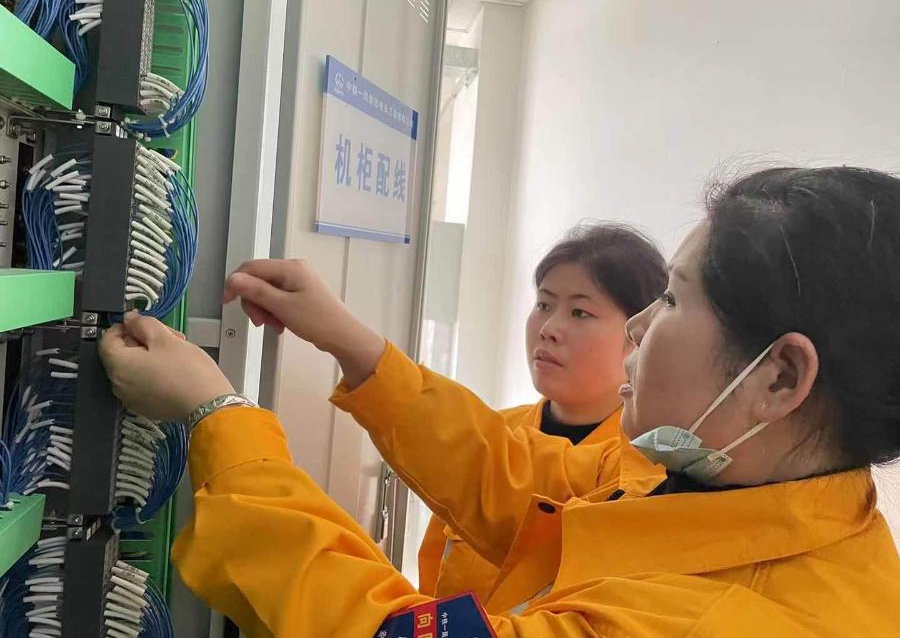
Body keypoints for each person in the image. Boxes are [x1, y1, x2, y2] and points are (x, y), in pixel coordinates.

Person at [100, 166, 900, 637]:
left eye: (671, 302)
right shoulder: (731, 489)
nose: (637, 330)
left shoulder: (728, 619)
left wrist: (220, 418)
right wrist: (354, 343)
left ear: (779, 378)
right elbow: (513, 477)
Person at [418, 222, 667, 600]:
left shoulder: (648, 468)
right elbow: (432, 579)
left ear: (640, 334)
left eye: (580, 312)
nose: (548, 328)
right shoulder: (491, 433)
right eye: (544, 305)